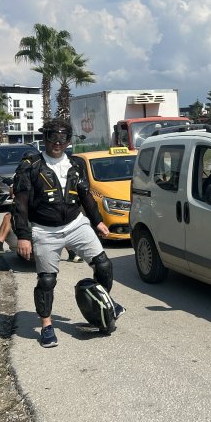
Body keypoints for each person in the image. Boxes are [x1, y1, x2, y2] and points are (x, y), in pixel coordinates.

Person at [12, 118, 125, 348]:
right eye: (53, 138)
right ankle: (46, 326)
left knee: (103, 265)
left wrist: (98, 222)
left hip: (75, 224)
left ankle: (104, 305)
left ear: (69, 141)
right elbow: (20, 204)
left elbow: (86, 196)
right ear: (45, 139)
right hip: (45, 230)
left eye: (63, 139)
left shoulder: (76, 164)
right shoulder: (30, 166)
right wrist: (23, 235)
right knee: (46, 280)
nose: (58, 143)